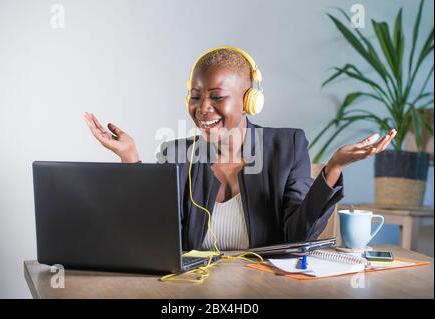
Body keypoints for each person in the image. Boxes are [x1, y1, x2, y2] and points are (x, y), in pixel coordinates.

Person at [83, 47, 396, 251]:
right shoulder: (176, 153)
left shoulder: (286, 147)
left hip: (262, 291)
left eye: (217, 96)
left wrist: (333, 169)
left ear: (249, 101)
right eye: (195, 96)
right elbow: (156, 236)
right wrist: (131, 159)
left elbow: (297, 236)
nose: (203, 108)